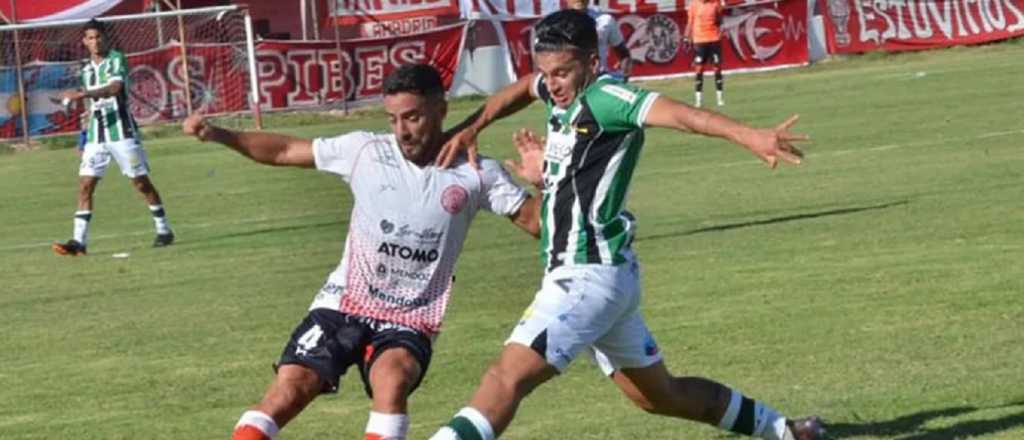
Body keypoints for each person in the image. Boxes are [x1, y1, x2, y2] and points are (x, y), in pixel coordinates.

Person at [428, 10, 824, 440]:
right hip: (606, 273)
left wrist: (748, 135)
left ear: (592, 63)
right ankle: (786, 431)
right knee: (661, 396)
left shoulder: (608, 97)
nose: (552, 84)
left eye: (562, 73)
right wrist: (476, 129)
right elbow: (526, 87)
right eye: (547, 72)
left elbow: (683, 116)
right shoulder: (560, 92)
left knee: (505, 379)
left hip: (587, 276)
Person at [182, 64, 542, 440]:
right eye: (393, 119)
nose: (402, 131)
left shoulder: (477, 172)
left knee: (392, 379)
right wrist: (219, 134)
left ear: (441, 110)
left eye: (413, 117)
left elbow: (538, 226)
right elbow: (286, 151)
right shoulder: (365, 151)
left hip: (410, 318)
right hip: (343, 302)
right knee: (290, 389)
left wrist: (544, 183)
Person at [53, 19, 174, 256]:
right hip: (96, 136)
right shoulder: (86, 70)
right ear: (84, 41)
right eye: (90, 38)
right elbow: (92, 106)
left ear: (105, 38)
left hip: (122, 132)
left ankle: (164, 229)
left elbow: (115, 88)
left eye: (98, 37)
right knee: (85, 185)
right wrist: (83, 135)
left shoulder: (117, 59)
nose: (95, 42)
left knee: (141, 183)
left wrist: (82, 93)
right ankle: (78, 242)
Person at [566, 0, 634, 79]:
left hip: (599, 79)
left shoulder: (605, 20)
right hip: (569, 80)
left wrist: (624, 76)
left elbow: (623, 53)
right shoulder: (556, 23)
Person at [685, 0, 727, 107]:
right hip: (700, 40)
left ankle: (720, 99)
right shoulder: (694, 4)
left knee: (717, 68)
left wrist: (719, 26)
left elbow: (719, 19)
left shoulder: (715, 3)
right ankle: (698, 100)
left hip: (714, 39)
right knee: (699, 69)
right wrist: (686, 38)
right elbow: (690, 22)